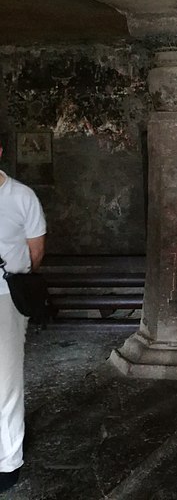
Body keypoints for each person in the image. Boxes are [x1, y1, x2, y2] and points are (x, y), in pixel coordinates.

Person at [0, 141, 46, 494]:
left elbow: (35, 255)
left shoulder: (21, 197)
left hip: (5, 298)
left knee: (6, 380)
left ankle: (8, 461)